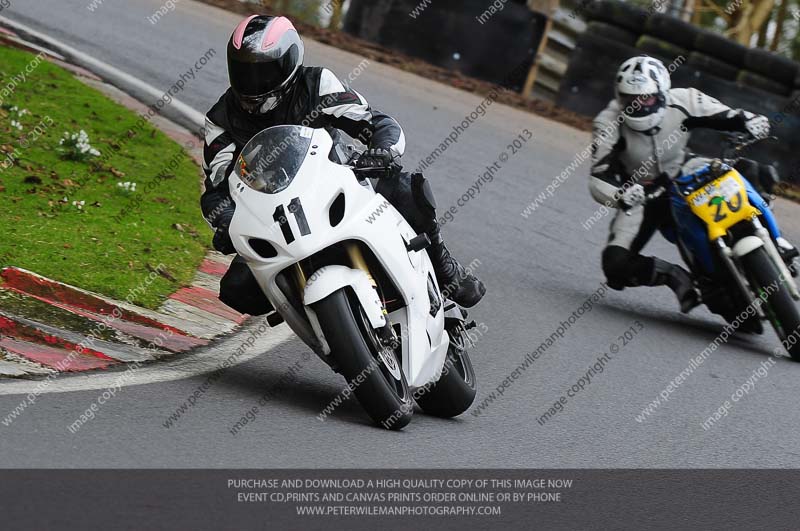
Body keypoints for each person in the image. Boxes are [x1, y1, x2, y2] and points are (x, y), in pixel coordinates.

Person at [201, 15, 486, 315]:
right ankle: (315, 317)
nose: (253, 83)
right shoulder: (220, 119)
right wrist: (226, 220)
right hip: (275, 217)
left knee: (405, 189)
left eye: (264, 72)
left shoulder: (316, 85)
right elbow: (217, 189)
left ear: (290, 63)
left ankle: (443, 266)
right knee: (238, 288)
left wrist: (383, 151)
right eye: (244, 72)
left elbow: (375, 122)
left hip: (336, 184)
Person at [589, 55, 798, 313]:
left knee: (753, 171)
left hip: (685, 170)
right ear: (619, 96)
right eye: (630, 99)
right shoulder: (607, 123)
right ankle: (677, 278)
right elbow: (599, 176)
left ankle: (777, 241)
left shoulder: (684, 100)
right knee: (615, 265)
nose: (639, 106)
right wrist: (621, 195)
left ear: (662, 93)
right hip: (643, 192)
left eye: (646, 98)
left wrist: (749, 120)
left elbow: (726, 114)